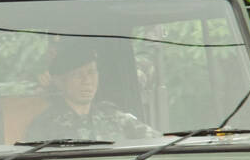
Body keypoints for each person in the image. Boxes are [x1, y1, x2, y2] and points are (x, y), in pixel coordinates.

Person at [24, 45, 159, 142]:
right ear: (60, 81)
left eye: (91, 72)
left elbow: (158, 143)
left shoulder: (113, 116)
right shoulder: (44, 126)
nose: (87, 81)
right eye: (78, 74)